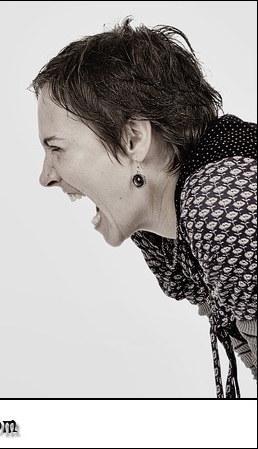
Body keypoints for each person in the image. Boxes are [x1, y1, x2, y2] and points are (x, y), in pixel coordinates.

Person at [31, 18, 256, 397]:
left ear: (133, 139)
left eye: (56, 148)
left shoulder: (223, 201)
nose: (46, 176)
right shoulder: (162, 227)